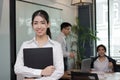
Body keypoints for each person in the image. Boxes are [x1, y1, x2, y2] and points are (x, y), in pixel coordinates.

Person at [14, 10, 64, 80]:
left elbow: (59, 72)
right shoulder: (26, 45)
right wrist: (41, 72)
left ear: (48, 24)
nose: (39, 26)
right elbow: (17, 69)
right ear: (32, 25)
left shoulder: (56, 46)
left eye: (42, 23)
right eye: (35, 23)